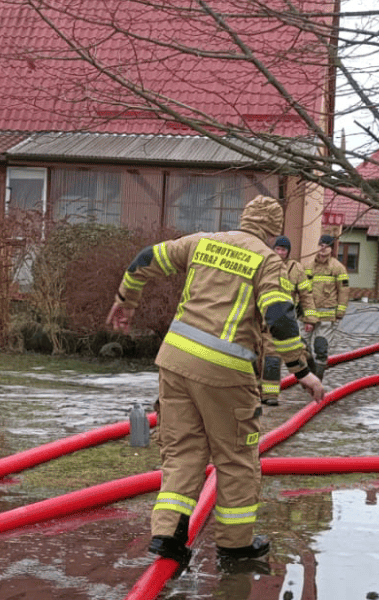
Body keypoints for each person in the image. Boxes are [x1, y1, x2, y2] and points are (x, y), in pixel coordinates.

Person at [106, 196, 326, 568]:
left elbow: (144, 259)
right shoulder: (269, 261)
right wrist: (302, 371)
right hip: (226, 371)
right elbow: (279, 316)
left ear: (242, 218)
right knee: (237, 457)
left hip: (174, 362)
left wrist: (126, 300)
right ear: (274, 232)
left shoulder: (201, 242)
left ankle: (168, 536)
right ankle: (236, 546)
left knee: (181, 452)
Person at [261, 236, 318, 399]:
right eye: (277, 249)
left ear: (288, 252)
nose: (280, 253)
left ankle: (309, 375)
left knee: (298, 351)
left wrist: (310, 319)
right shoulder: (264, 265)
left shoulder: (296, 269)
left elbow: (306, 295)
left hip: (286, 319)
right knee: (269, 356)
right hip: (265, 319)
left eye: (283, 250)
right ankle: (268, 396)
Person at [304, 234, 350, 366]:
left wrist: (340, 311)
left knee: (321, 348)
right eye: (321, 245)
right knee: (301, 349)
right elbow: (301, 290)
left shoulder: (338, 268)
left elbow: (344, 290)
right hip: (307, 315)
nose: (323, 248)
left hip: (326, 317)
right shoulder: (308, 266)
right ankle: (308, 376)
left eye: (327, 246)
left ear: (332, 249)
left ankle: (317, 378)